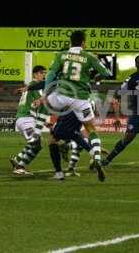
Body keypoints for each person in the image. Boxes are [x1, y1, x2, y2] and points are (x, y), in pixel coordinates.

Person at [41, 30, 111, 182]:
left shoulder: (61, 55)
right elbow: (106, 73)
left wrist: (45, 94)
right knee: (91, 129)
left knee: (44, 104)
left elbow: (51, 74)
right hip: (81, 99)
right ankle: (96, 157)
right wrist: (93, 75)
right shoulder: (89, 56)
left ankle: (59, 170)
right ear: (83, 42)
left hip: (61, 96)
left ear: (70, 42)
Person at [10, 65, 48, 175]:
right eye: (42, 73)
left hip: (25, 118)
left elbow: (33, 105)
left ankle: (18, 160)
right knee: (36, 143)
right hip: (26, 119)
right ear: (35, 74)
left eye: (45, 73)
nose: (44, 75)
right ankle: (19, 166)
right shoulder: (35, 85)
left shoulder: (31, 86)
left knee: (36, 143)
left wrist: (44, 122)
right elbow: (40, 102)